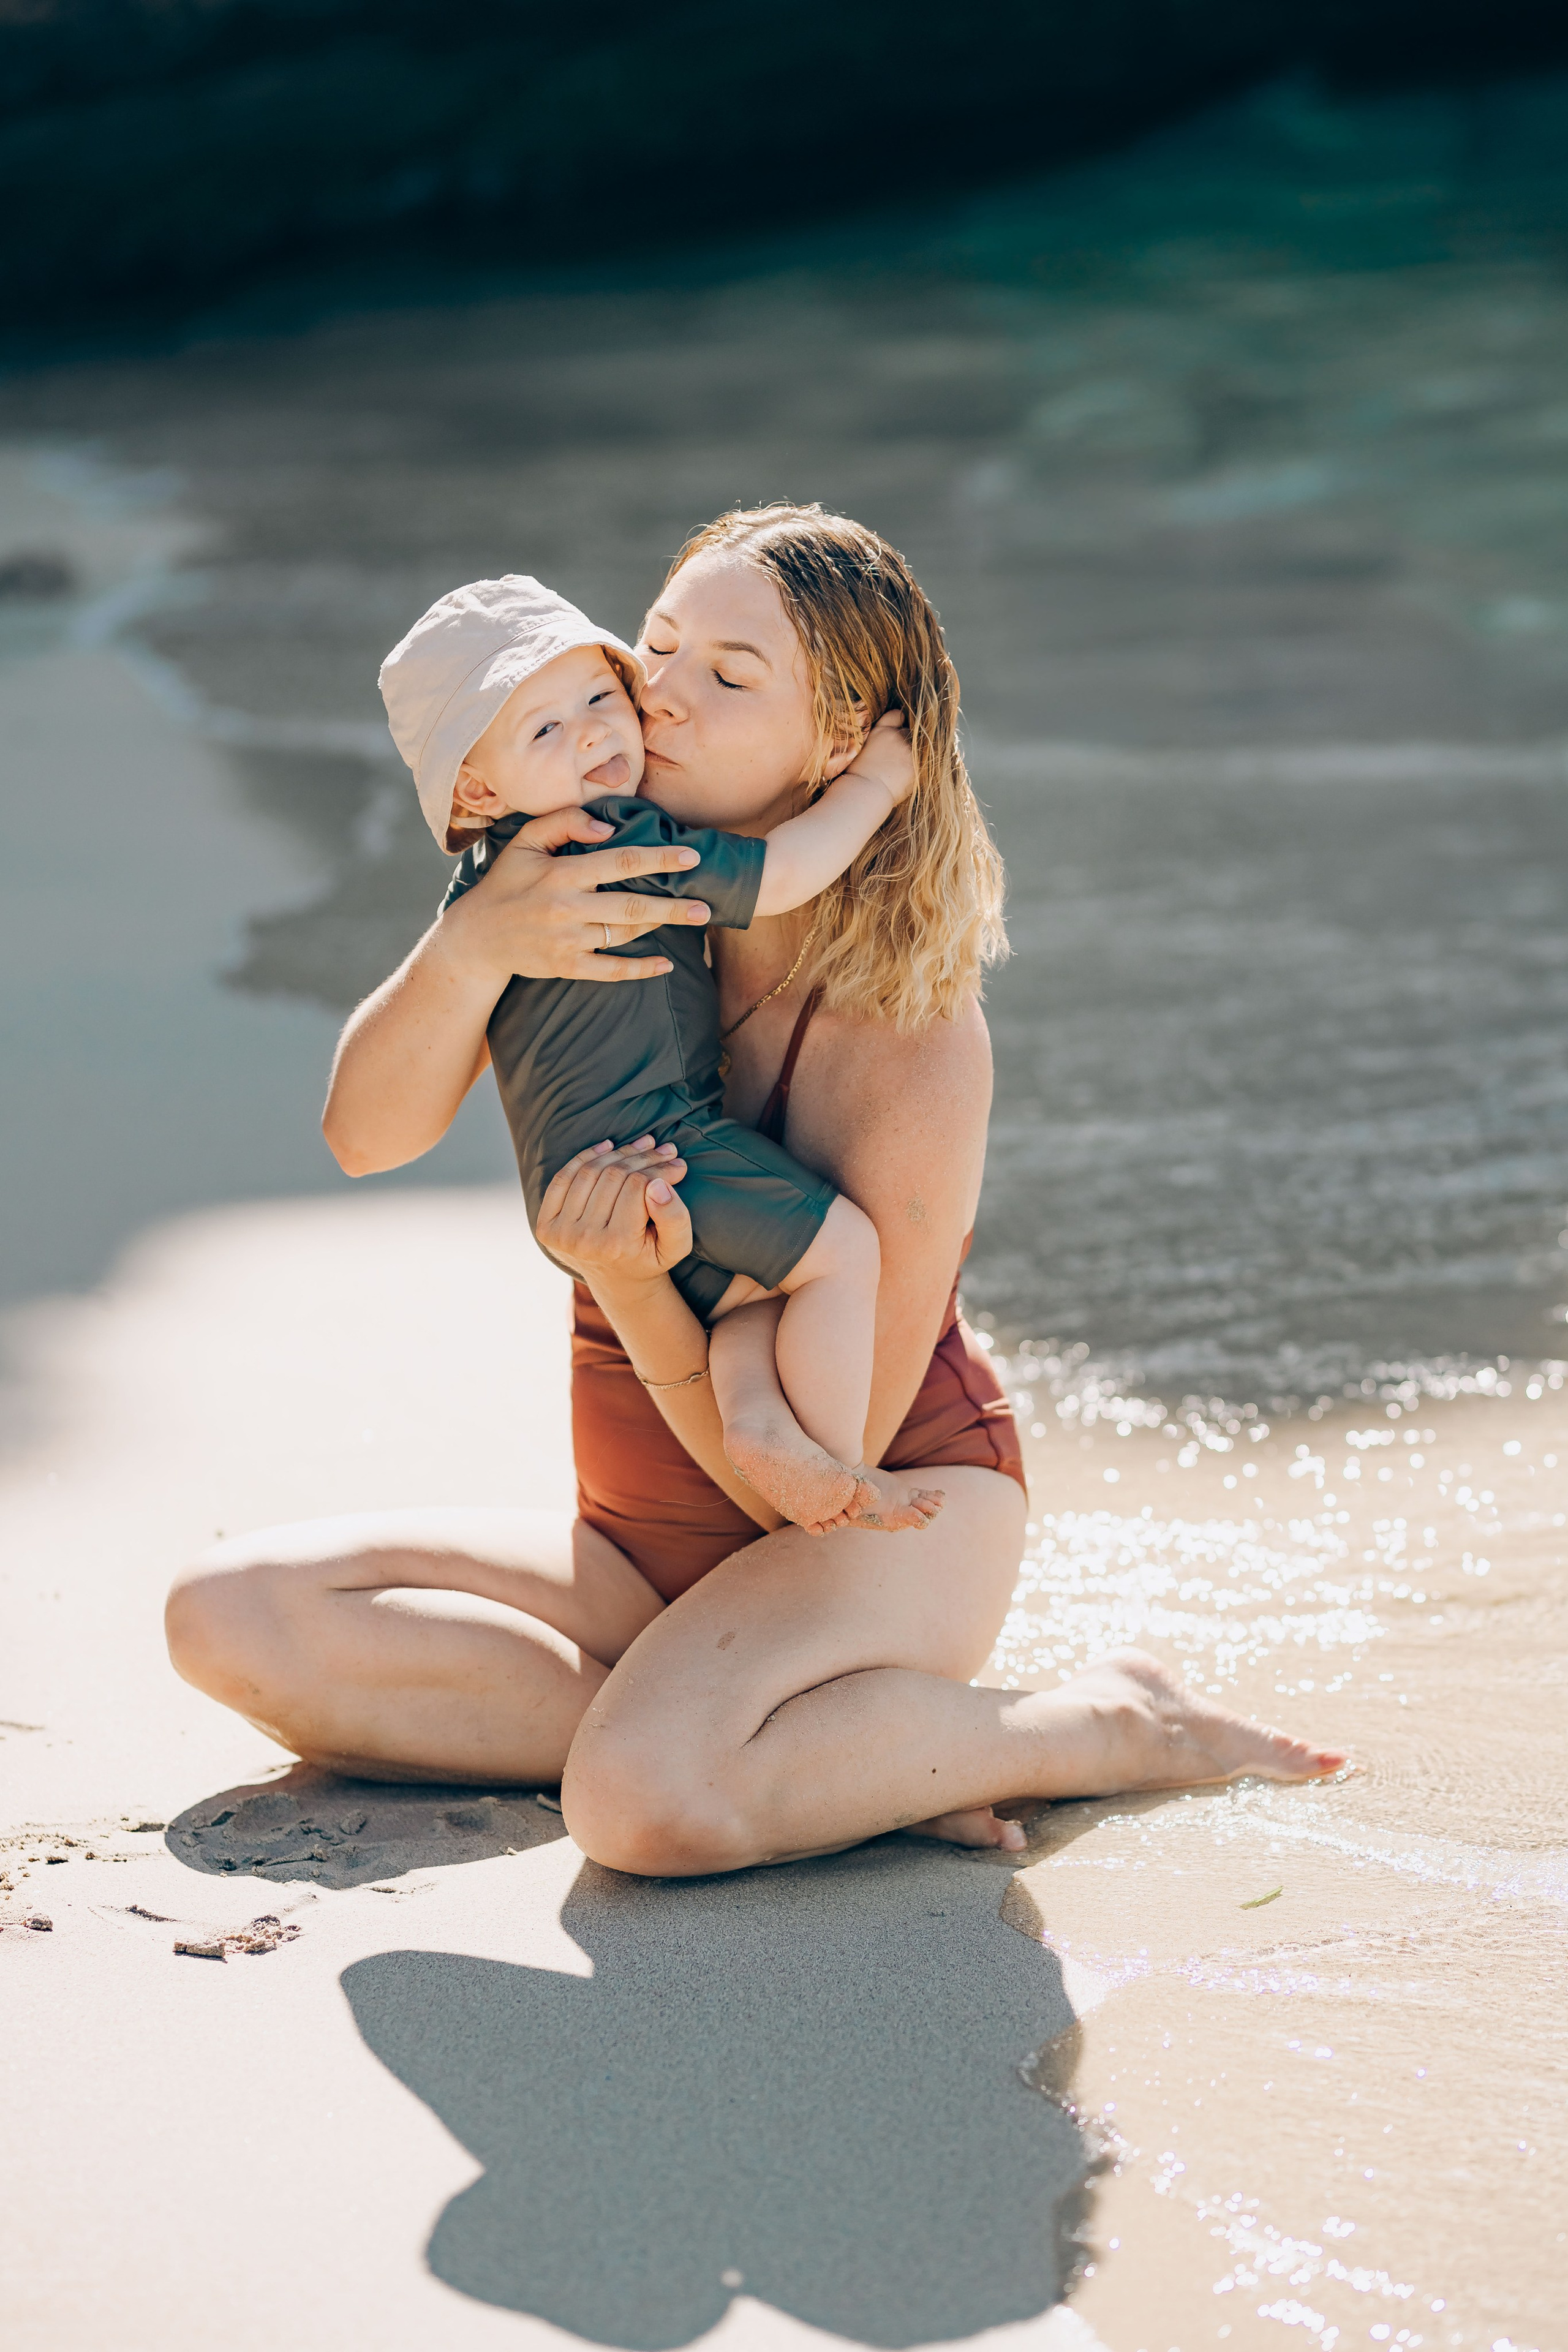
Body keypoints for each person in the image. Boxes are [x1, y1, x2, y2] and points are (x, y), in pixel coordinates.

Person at [165, 503, 1344, 1877]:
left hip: (871, 1519)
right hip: (639, 1545)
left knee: (640, 1811)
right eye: (658, 646)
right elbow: (365, 1136)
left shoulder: (904, 1031)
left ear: (838, 746)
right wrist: (472, 945)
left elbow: (808, 1477)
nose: (661, 695)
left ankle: (1096, 1724)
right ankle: (831, 1756)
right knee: (227, 1616)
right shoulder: (587, 892)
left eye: (730, 677)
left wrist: (625, 1285)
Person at [378, 572, 942, 1536]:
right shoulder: (622, 834)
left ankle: (760, 1425)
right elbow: (785, 874)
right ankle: (838, 1467)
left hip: (575, 1190)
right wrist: (879, 783)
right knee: (841, 1253)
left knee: (752, 1295)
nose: (594, 735)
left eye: (601, 696)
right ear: (477, 787)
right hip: (659, 1144)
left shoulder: (485, 890)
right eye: (545, 730)